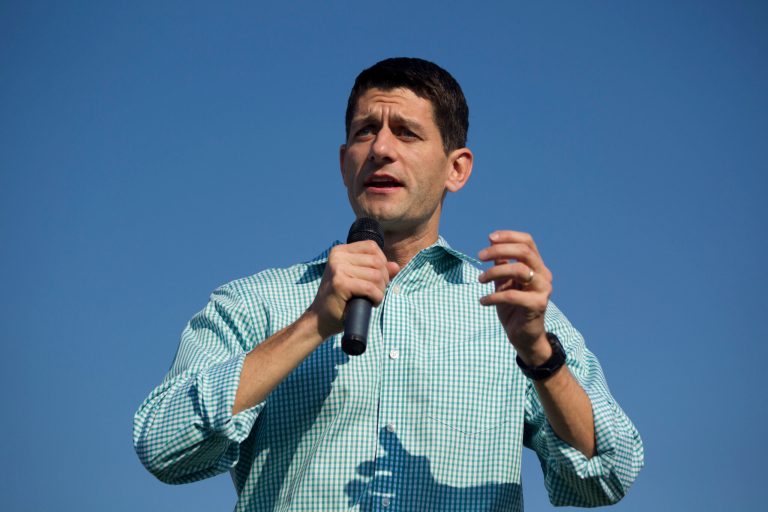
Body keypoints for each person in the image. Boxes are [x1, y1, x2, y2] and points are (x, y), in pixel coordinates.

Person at [133, 57, 643, 511]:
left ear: (456, 168)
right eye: (363, 132)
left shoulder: (513, 311)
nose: (380, 148)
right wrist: (311, 325)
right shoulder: (254, 303)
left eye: (406, 132)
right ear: (343, 163)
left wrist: (537, 352)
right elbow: (163, 446)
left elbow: (609, 476)